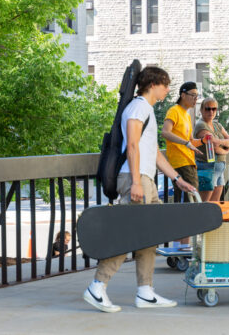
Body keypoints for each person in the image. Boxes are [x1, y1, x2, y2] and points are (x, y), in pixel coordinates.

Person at [83, 67, 196, 312]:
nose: (168, 90)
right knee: (129, 234)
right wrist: (135, 181)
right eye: (166, 85)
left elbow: (153, 152)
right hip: (136, 178)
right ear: (154, 84)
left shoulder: (146, 110)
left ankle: (145, 292)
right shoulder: (137, 107)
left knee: (150, 234)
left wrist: (177, 178)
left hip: (147, 178)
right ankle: (97, 286)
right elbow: (132, 146)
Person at [162, 81, 205, 204]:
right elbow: (165, 132)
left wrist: (203, 141)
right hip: (180, 161)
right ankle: (188, 222)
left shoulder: (187, 115)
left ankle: (182, 221)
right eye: (193, 95)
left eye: (197, 96)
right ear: (183, 95)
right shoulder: (174, 110)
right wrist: (186, 143)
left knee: (186, 198)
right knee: (192, 196)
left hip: (189, 160)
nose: (195, 99)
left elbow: (190, 141)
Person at [193, 97, 229, 202]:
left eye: (214, 109)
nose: (211, 111)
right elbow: (214, 147)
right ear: (201, 110)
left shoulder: (217, 125)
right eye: (207, 109)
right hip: (207, 167)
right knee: (205, 204)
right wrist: (226, 148)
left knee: (214, 204)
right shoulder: (201, 125)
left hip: (219, 168)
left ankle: (210, 219)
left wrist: (220, 142)